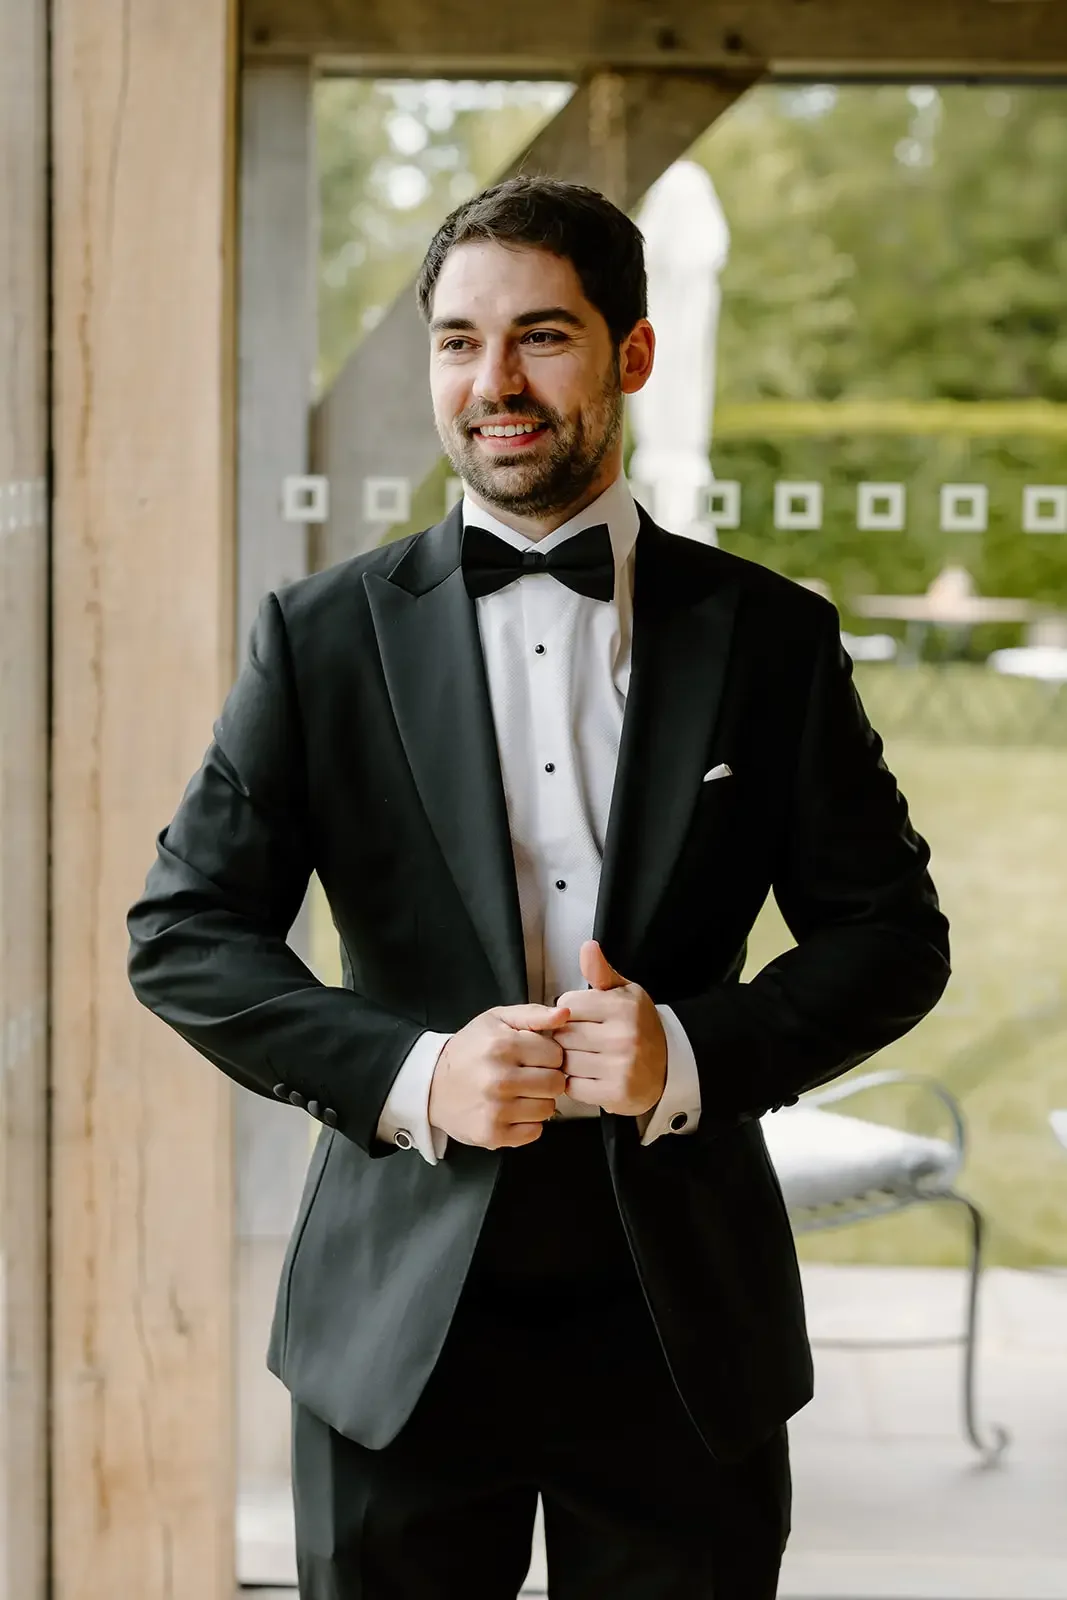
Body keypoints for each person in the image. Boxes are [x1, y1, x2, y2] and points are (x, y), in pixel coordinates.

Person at [127, 177, 950, 1599]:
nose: (491, 384)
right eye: (456, 341)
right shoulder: (318, 641)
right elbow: (185, 932)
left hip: (683, 1319)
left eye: (540, 337)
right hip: (397, 1324)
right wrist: (413, 1070)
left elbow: (890, 936)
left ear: (631, 353)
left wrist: (689, 1049)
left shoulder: (769, 640)